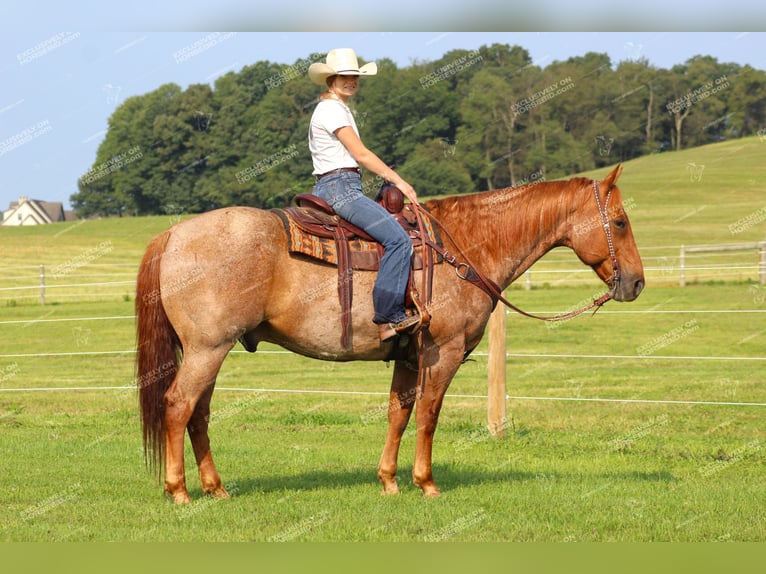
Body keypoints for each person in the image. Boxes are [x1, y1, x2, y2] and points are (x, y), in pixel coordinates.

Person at [307, 48, 420, 342]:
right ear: (331, 79)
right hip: (340, 188)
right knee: (398, 239)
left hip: (339, 184)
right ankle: (389, 316)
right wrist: (400, 182)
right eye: (344, 77)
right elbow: (361, 154)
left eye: (354, 77)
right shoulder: (331, 110)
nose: (351, 81)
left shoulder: (337, 108)